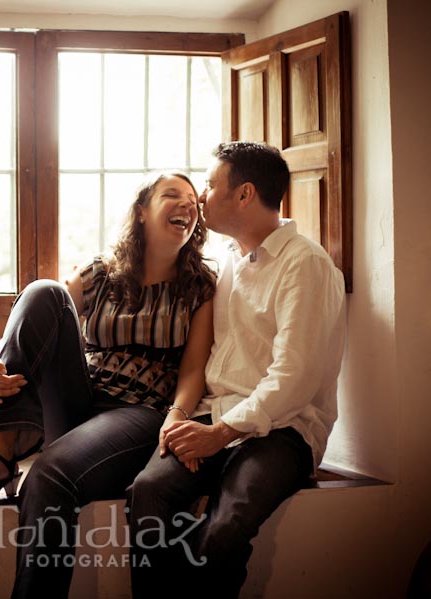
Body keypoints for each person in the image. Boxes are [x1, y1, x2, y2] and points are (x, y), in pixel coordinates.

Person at [0, 171, 216, 598]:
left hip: (138, 413)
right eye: (172, 195)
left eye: (193, 200)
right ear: (142, 211)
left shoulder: (199, 287)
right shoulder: (101, 273)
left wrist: (176, 418)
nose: (187, 204)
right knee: (44, 292)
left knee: (48, 476)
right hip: (78, 400)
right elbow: (28, 329)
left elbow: (192, 370)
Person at [126, 142, 347, 598]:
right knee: (148, 492)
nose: (199, 197)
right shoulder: (228, 259)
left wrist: (221, 434)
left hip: (284, 432)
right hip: (217, 414)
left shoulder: (305, 264)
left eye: (209, 185)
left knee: (222, 529)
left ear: (244, 195)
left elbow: (294, 380)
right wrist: (189, 420)